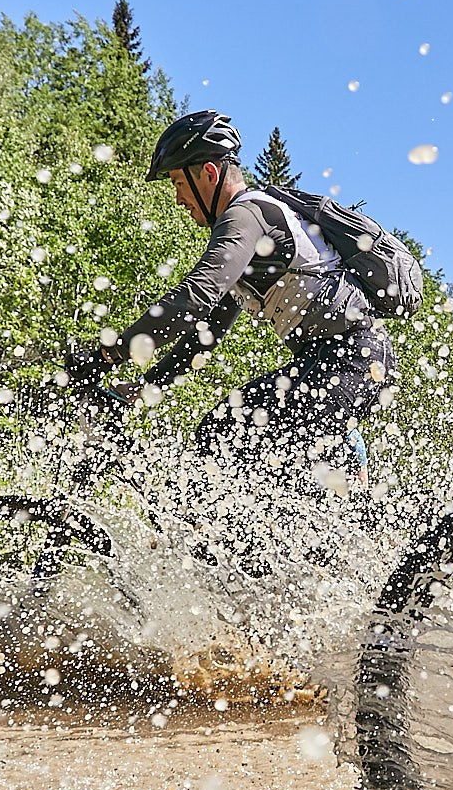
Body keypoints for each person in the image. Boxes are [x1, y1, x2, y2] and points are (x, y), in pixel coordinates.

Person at [67, 109, 394, 498]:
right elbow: (206, 331)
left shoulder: (246, 214)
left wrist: (111, 355)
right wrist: (145, 388)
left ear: (207, 172)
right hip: (333, 363)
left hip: (350, 361)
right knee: (216, 438)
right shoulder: (251, 228)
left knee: (263, 468)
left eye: (178, 183)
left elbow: (195, 296)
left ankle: (322, 545)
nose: (178, 199)